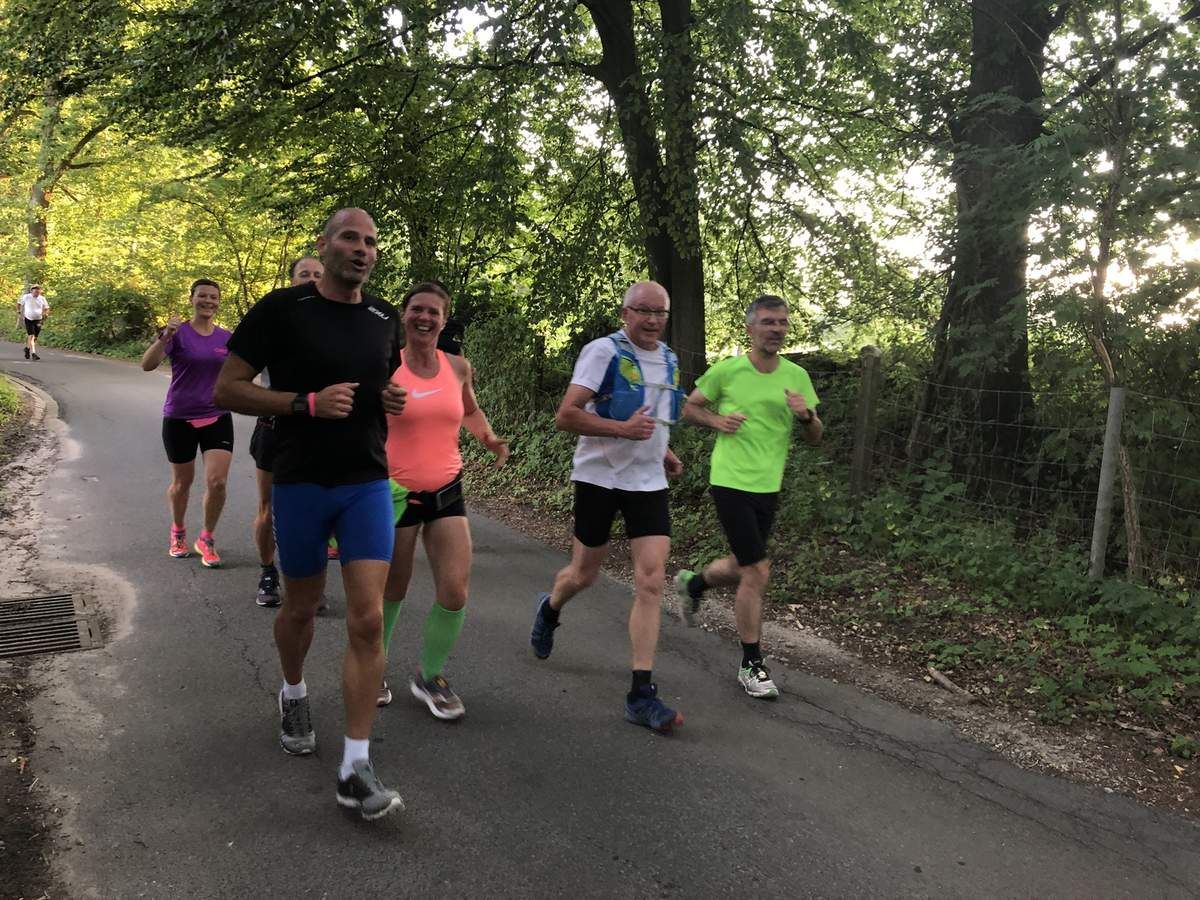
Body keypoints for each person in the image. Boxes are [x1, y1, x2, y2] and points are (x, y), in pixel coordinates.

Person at [213, 208, 407, 821]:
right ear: (323, 246)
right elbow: (228, 388)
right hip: (299, 481)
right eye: (351, 237)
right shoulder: (281, 309)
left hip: (366, 482)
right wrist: (305, 403)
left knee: (367, 619)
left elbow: (381, 384)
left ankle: (355, 766)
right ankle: (293, 691)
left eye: (371, 241)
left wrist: (389, 397)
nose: (363, 249)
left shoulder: (384, 318)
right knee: (300, 607)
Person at [528, 280, 686, 734]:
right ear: (625, 313)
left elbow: (652, 418)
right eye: (643, 311)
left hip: (647, 481)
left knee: (651, 580)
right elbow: (566, 415)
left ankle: (641, 694)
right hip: (599, 478)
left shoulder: (669, 358)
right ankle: (551, 608)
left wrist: (662, 450)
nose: (652, 320)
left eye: (659, 312)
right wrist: (622, 431)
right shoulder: (603, 352)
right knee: (584, 574)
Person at [675, 294, 823, 700]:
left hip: (768, 486)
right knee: (757, 571)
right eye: (768, 322)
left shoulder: (796, 376)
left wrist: (806, 416)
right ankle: (751, 664)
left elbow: (816, 436)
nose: (776, 329)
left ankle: (694, 584)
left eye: (782, 322)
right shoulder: (728, 371)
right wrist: (717, 420)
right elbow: (689, 408)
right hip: (730, 481)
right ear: (750, 328)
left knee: (743, 565)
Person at [378, 281, 508, 718]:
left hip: (447, 490)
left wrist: (488, 438)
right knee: (392, 588)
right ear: (404, 315)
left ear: (444, 319)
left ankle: (429, 675)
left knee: (454, 590)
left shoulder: (457, 367)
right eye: (417, 309)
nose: (425, 317)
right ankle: (373, 666)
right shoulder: (386, 366)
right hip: (395, 494)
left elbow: (469, 410)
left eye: (434, 311)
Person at [140, 279, 233, 567]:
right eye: (202, 296)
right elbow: (147, 364)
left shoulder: (226, 338)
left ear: (219, 302)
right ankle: (178, 531)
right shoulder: (177, 333)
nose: (208, 301)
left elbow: (239, 372)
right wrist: (165, 337)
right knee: (182, 483)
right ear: (192, 299)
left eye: (213, 297)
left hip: (217, 415)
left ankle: (207, 538)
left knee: (217, 482)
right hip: (180, 417)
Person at [249, 255, 324, 607]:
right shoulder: (273, 319)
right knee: (269, 506)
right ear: (291, 279)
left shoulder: (338, 324)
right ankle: (268, 572)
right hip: (275, 428)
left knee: (316, 510)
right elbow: (242, 376)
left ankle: (311, 582)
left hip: (321, 432)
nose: (311, 279)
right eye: (304, 273)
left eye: (317, 274)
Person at [16, 284, 49, 360]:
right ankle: (33, 353)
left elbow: (47, 308)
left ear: (40, 291)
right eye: (35, 291)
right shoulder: (26, 297)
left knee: (35, 337)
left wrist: (46, 313)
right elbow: (18, 303)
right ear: (31, 291)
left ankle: (27, 348)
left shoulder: (42, 298)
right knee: (31, 336)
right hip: (28, 319)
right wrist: (18, 311)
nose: (36, 292)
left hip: (38, 320)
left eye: (38, 291)